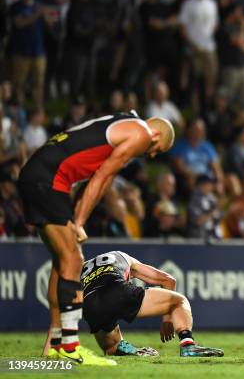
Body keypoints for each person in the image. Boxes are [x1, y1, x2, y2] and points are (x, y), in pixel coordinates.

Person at [19, 112, 175, 365]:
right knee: (72, 258)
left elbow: (97, 180)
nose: (153, 154)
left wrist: (77, 218)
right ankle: (69, 347)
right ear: (155, 135)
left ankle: (53, 344)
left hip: (38, 173)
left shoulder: (123, 124)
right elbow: (103, 177)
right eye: (156, 149)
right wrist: (78, 222)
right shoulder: (141, 133)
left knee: (63, 261)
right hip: (50, 179)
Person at [80, 250, 224, 357]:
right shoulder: (121, 256)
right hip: (116, 290)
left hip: (90, 303)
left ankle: (127, 349)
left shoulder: (80, 268)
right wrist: (167, 319)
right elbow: (168, 280)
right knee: (179, 301)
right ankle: (188, 345)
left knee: (111, 347)